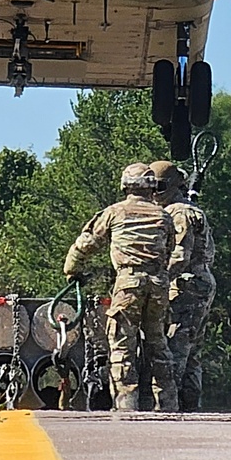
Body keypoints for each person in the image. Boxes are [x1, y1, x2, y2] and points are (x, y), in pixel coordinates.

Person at [63, 163, 178, 412]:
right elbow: (170, 248)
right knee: (157, 342)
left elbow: (87, 242)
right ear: (151, 187)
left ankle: (127, 405)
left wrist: (72, 269)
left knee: (122, 344)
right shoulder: (163, 216)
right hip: (159, 284)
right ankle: (167, 404)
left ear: (126, 185)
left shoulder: (115, 213)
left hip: (128, 284)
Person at [150, 159, 217, 412]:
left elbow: (180, 255)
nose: (154, 192)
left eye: (158, 186)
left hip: (187, 284)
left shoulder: (179, 213)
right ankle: (190, 405)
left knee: (176, 346)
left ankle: (170, 405)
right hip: (198, 283)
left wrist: (160, 281)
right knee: (191, 350)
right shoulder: (186, 209)